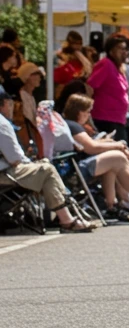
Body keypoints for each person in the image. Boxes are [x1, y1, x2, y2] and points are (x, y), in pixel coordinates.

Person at [57, 94, 129, 217]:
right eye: (87, 112)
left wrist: (110, 143)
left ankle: (114, 203)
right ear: (79, 112)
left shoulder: (72, 124)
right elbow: (91, 147)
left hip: (78, 166)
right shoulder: (73, 125)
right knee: (118, 158)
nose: (89, 115)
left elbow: (89, 145)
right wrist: (117, 146)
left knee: (114, 161)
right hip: (76, 171)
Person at [0, 90, 94, 232]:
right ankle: (67, 217)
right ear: (4, 104)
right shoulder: (2, 124)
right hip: (5, 173)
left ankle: (66, 216)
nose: (12, 108)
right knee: (46, 169)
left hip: (5, 170)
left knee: (44, 168)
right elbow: (15, 159)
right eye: (10, 104)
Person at [85, 34, 129, 144]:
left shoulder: (119, 68)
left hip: (118, 119)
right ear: (111, 51)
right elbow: (90, 86)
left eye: (126, 49)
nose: (125, 52)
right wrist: (86, 112)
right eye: (121, 48)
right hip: (105, 118)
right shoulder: (106, 64)